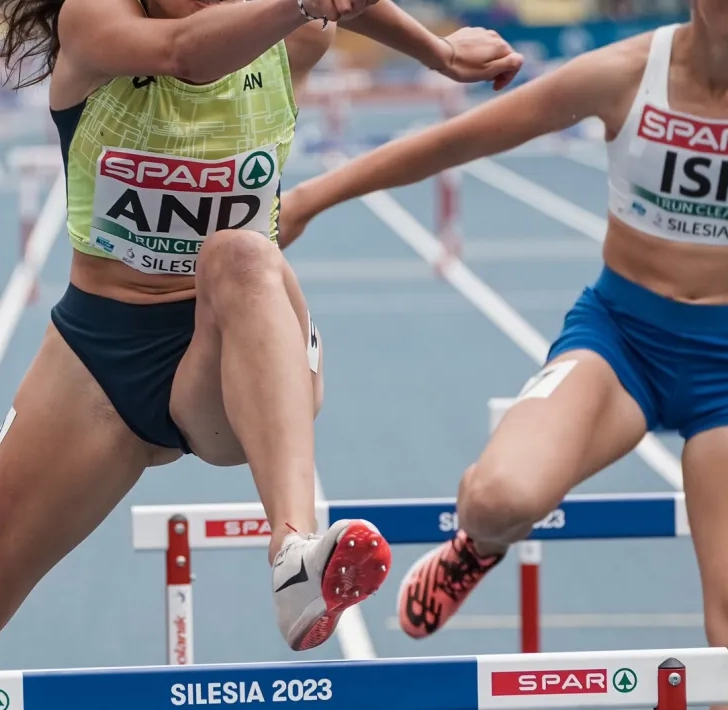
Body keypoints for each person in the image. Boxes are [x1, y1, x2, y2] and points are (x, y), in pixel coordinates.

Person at [0, 0, 523, 671]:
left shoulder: (296, 34)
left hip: (237, 346)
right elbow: (182, 53)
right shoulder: (93, 21)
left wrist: (442, 53)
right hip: (100, 355)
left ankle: (294, 555)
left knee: (241, 253)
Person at [278, 1, 728, 670]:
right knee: (497, 500)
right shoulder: (627, 74)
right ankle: (475, 550)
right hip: (623, 343)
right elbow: (461, 139)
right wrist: (312, 199)